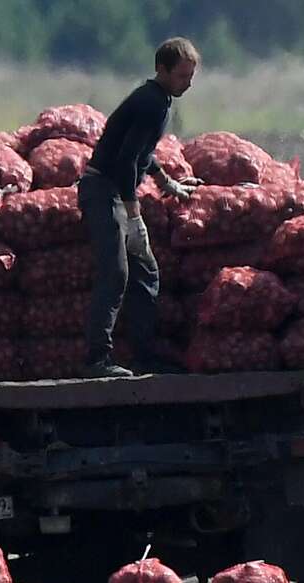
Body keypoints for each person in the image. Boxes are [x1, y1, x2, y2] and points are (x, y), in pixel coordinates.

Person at [78, 37, 203, 378]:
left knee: (147, 271)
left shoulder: (159, 100)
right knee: (115, 272)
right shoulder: (151, 103)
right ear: (161, 70)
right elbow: (124, 162)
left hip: (116, 193)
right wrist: (135, 218)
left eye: (191, 77)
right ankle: (96, 360)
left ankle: (144, 355)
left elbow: (142, 154)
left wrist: (168, 183)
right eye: (182, 76)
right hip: (102, 191)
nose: (188, 84)